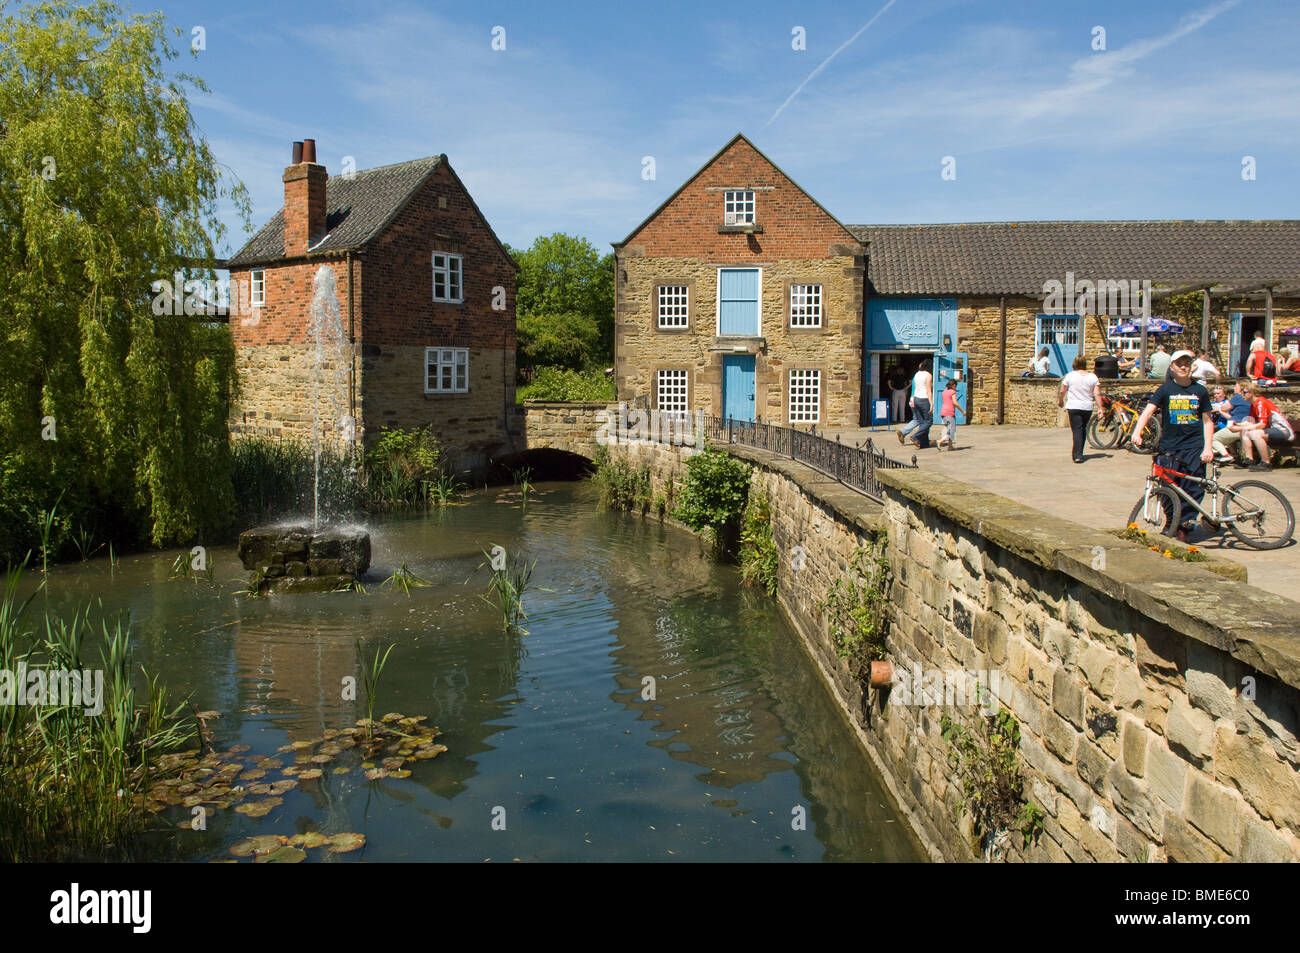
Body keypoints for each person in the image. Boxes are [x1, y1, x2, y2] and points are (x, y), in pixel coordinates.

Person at [1131, 350, 1214, 542]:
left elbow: (1208, 421)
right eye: (1179, 364)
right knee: (1168, 488)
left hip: (1194, 446)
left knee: (1193, 489)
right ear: (1172, 367)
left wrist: (1208, 447)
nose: (1183, 367)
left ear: (1192, 366)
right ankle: (1171, 523)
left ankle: (1183, 525)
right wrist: (1137, 432)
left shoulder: (1200, 391)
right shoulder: (1165, 390)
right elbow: (1147, 412)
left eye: (1187, 363)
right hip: (1170, 447)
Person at [1239, 382, 1295, 472]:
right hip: (1271, 430)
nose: (1242, 395)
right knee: (1245, 432)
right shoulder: (1253, 405)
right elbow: (1250, 422)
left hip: (1282, 431)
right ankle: (1249, 459)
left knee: (1256, 434)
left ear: (1251, 393)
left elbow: (1262, 424)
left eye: (1244, 392)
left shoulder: (1261, 402)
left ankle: (1266, 463)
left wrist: (1244, 427)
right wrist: (1237, 426)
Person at [1058, 354, 1102, 464]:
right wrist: (1100, 407)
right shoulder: (1092, 377)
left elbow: (1062, 390)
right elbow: (1097, 393)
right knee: (1082, 429)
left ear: (1075, 364)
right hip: (1087, 407)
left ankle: (1077, 454)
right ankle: (1079, 452)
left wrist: (1060, 400)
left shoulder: (1070, 376)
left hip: (1073, 406)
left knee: (1077, 430)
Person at [1209, 381, 1253, 466]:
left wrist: (1219, 409)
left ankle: (1226, 456)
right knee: (1226, 435)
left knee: (1213, 439)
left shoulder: (1238, 397)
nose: (1234, 388)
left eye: (1236, 387)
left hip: (1237, 426)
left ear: (1241, 388)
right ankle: (1235, 456)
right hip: (1246, 424)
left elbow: (1224, 407)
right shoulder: (1248, 398)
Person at [897, 359, 933, 449]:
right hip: (924, 399)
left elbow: (914, 386)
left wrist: (912, 398)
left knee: (920, 421)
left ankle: (924, 442)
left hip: (915, 398)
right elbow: (928, 390)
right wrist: (931, 403)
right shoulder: (928, 375)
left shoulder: (917, 374)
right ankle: (915, 436)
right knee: (928, 421)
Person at [935, 379, 965, 450]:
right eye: (956, 386)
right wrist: (962, 411)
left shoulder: (944, 392)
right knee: (952, 431)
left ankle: (950, 446)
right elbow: (955, 403)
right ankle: (940, 441)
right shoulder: (953, 392)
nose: (956, 387)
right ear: (954, 385)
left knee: (950, 430)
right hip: (950, 413)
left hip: (943, 413)